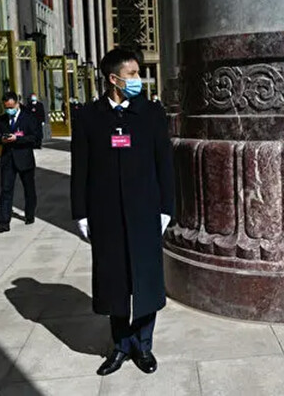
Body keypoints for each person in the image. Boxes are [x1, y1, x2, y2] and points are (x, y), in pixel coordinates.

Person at [70, 48, 174, 376]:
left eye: (137, 73)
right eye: (131, 74)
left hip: (145, 212)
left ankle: (143, 345)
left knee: (145, 279)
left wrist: (166, 209)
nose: (137, 79)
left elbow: (165, 165)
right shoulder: (89, 116)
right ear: (113, 79)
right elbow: (80, 169)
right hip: (106, 215)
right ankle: (120, 345)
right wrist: (81, 214)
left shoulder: (152, 113)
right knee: (114, 282)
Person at [0, 91, 40, 232]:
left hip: (24, 158)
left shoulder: (29, 118)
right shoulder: (2, 119)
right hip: (8, 159)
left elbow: (35, 138)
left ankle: (30, 214)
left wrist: (17, 139)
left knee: (29, 189)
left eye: (11, 107)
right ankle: (3, 222)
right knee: (6, 190)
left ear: (17, 104)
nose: (9, 110)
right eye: (6, 107)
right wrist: (2, 139)